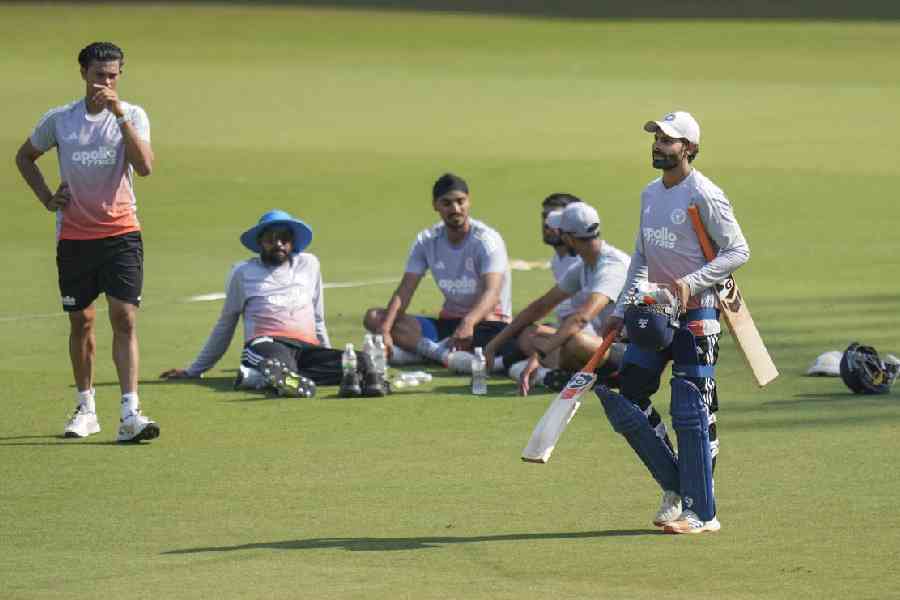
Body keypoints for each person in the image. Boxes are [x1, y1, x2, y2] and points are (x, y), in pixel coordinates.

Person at [597, 111, 750, 534]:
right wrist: (619, 309)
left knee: (691, 405)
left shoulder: (705, 194)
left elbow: (737, 251)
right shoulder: (650, 194)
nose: (659, 145)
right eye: (657, 138)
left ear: (690, 149)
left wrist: (689, 284)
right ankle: (677, 487)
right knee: (628, 395)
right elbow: (641, 259)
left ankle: (702, 513)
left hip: (698, 310)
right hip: (654, 312)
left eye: (669, 140)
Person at [14, 42, 158, 442]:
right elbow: (24, 157)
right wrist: (46, 198)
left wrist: (119, 115)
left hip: (122, 232)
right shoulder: (60, 120)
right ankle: (86, 407)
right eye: (99, 75)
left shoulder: (133, 115)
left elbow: (145, 167)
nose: (106, 83)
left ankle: (131, 412)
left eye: (113, 76)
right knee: (82, 321)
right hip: (76, 236)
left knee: (124, 318)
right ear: (83, 73)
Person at [160, 210, 387, 398]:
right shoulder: (244, 272)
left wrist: (326, 353)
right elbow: (226, 324)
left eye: (284, 239)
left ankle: (260, 379)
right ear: (259, 242)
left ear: (293, 242)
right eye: (270, 239)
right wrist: (194, 370)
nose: (278, 244)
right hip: (266, 343)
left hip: (306, 348)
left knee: (361, 362)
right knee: (278, 363)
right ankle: (274, 375)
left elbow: (317, 318)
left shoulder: (309, 265)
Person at [363, 173, 517, 371]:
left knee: (502, 339)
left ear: (469, 202)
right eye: (447, 203)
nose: (455, 209)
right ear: (435, 205)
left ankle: (424, 353)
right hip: (447, 324)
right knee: (374, 317)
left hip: (486, 323)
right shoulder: (427, 240)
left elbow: (492, 292)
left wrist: (468, 323)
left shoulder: (487, 241)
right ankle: (443, 356)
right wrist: (384, 330)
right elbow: (405, 291)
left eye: (460, 201)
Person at [483, 201, 630, 395]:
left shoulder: (612, 267)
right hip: (605, 346)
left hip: (632, 353)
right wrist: (495, 344)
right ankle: (584, 378)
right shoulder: (585, 265)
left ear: (569, 238)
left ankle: (581, 377)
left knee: (575, 342)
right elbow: (541, 306)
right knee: (530, 334)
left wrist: (538, 356)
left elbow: (581, 318)